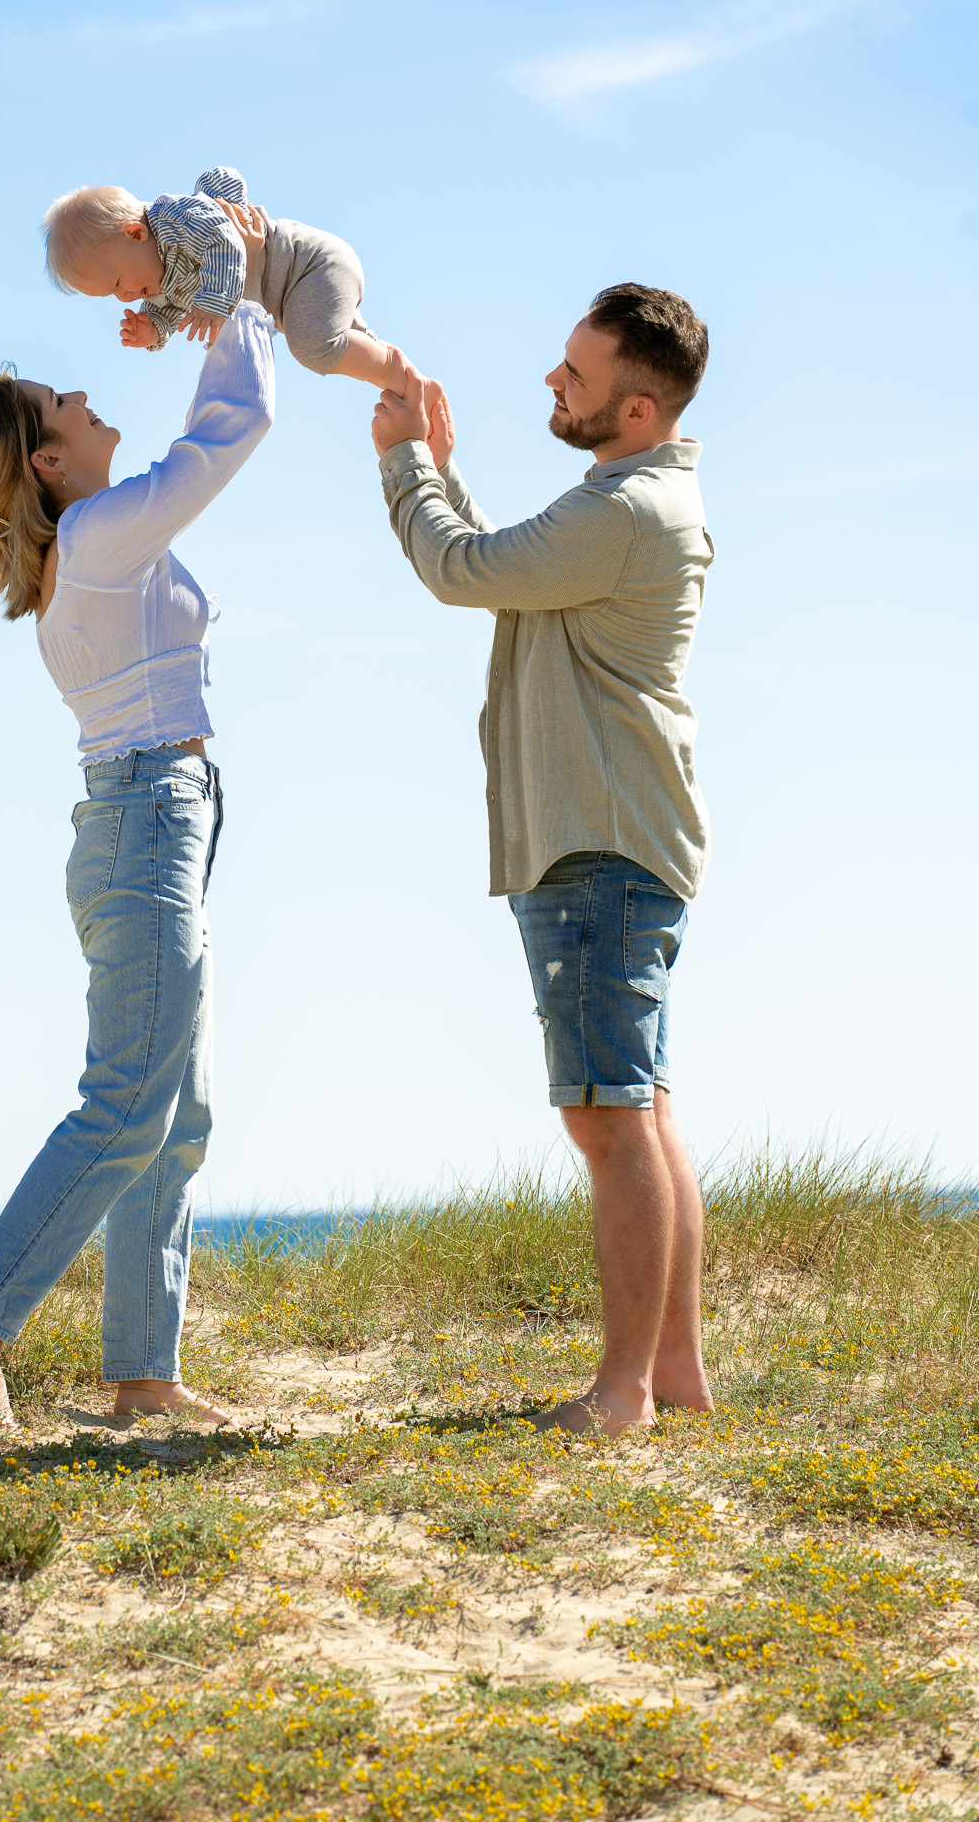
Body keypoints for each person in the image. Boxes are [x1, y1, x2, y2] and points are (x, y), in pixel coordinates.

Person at [0, 214, 275, 1431]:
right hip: (145, 821)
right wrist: (239, 300)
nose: (81, 390)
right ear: (51, 462)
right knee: (128, 1100)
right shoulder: (101, 536)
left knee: (178, 1113)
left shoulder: (87, 544)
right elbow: (228, 434)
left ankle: (141, 1375)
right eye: (55, 399)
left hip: (155, 818)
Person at [371, 283, 715, 1438]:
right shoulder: (624, 499)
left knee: (607, 1119)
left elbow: (459, 571)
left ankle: (622, 1395)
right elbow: (500, 568)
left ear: (633, 409)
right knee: (640, 1110)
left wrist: (405, 460)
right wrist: (439, 469)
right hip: (612, 842)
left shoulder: (621, 513)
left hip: (595, 845)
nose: (551, 383)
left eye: (572, 374)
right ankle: (669, 1375)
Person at [43, 166, 411, 393]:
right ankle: (396, 377)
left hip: (307, 264)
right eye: (112, 296)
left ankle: (392, 371)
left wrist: (211, 303)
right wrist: (153, 331)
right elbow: (171, 310)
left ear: (136, 234)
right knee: (340, 343)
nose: (124, 297)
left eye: (118, 282)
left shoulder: (175, 220)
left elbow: (223, 236)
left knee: (311, 347)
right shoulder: (158, 275)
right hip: (292, 297)